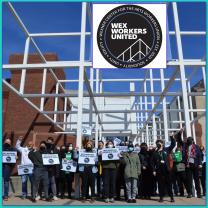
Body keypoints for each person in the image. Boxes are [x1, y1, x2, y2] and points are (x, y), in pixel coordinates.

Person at [176, 130, 202, 198]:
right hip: (188, 165)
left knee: (196, 180)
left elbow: (199, 155)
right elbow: (179, 140)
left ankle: (198, 193)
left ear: (193, 140)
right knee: (189, 180)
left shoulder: (196, 146)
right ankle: (189, 193)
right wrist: (180, 133)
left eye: (190, 140)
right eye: (188, 140)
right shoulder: (185, 145)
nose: (189, 141)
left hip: (195, 165)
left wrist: (200, 163)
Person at [151, 133, 176, 202]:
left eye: (160, 143)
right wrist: (153, 170)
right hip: (159, 170)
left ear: (162, 144)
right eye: (157, 143)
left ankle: (171, 197)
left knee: (169, 184)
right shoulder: (155, 152)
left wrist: (171, 137)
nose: (158, 144)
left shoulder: (166, 149)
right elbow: (152, 162)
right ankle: (161, 197)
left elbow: (173, 144)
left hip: (167, 170)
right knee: (160, 184)